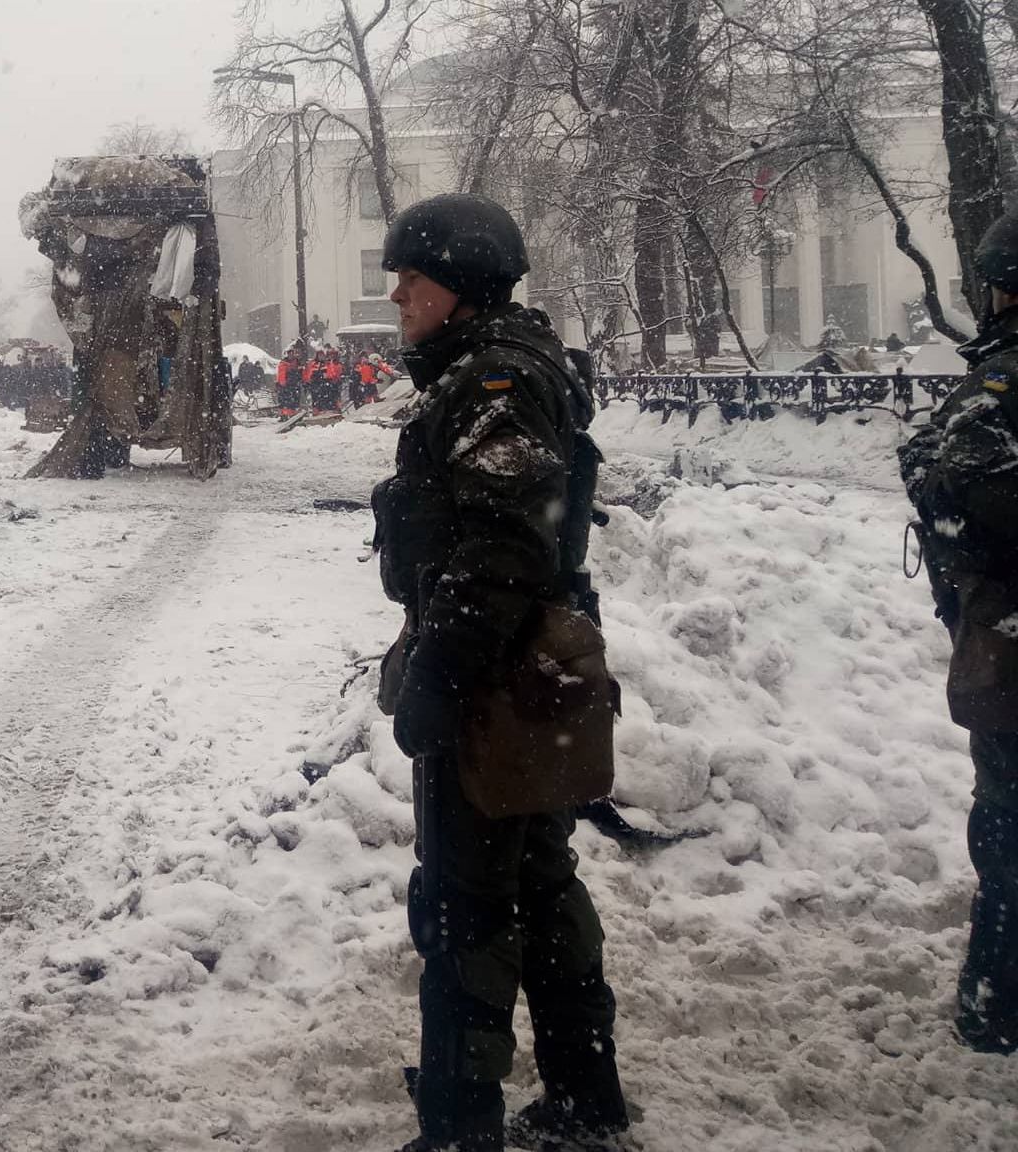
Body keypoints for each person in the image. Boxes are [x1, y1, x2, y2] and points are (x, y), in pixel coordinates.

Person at [372, 193, 629, 1152]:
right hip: (519, 682)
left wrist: (439, 677)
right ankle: (582, 1099)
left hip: (497, 689)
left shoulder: (495, 387)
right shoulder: (493, 373)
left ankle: (459, 1127)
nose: (397, 293)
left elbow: (504, 551)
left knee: (468, 903)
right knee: (537, 882)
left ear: (464, 284)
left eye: (412, 277)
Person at [899, 209, 1018, 1056]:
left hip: (1008, 645)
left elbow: (959, 502)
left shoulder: (996, 388)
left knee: (1009, 819)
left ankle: (995, 1000)